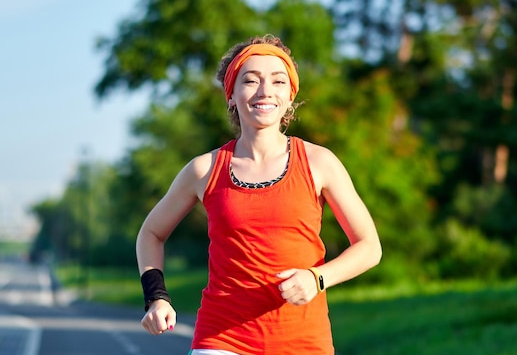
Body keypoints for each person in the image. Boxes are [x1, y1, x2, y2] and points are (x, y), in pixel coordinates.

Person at [136, 34, 382, 355]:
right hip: (222, 338)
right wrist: (156, 297)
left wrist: (317, 278)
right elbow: (151, 233)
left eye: (278, 81)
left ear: (289, 97)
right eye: (251, 80)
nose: (265, 91)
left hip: (303, 342)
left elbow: (369, 247)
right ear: (232, 95)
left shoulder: (320, 162)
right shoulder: (204, 169)